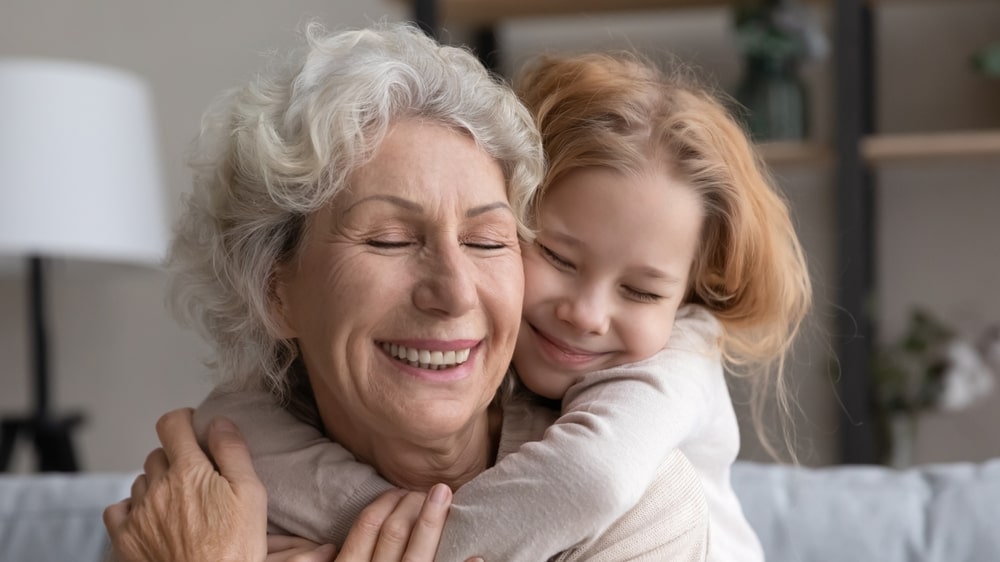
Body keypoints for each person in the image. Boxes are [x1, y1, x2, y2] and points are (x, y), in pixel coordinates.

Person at [103, 23, 711, 562]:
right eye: (390, 240)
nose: (453, 292)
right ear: (274, 289)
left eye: (488, 241)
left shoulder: (640, 508)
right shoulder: (188, 514)